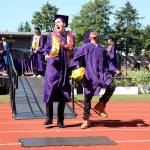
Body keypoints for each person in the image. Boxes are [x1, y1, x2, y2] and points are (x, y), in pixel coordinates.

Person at [70, 30, 118, 129]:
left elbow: (108, 62)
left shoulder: (102, 49)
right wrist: (77, 68)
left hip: (103, 73)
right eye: (92, 32)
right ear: (89, 37)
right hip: (90, 73)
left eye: (96, 32)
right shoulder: (85, 47)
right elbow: (75, 59)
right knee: (88, 97)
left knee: (112, 85)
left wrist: (114, 70)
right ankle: (86, 120)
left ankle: (101, 104)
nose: (95, 33)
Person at [43, 14, 75, 128]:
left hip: (64, 67)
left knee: (63, 91)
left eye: (59, 22)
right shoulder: (51, 36)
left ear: (64, 24)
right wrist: (46, 55)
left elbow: (71, 52)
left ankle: (60, 120)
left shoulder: (70, 37)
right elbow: (46, 49)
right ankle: (48, 118)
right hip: (52, 66)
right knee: (49, 90)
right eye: (55, 22)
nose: (56, 23)